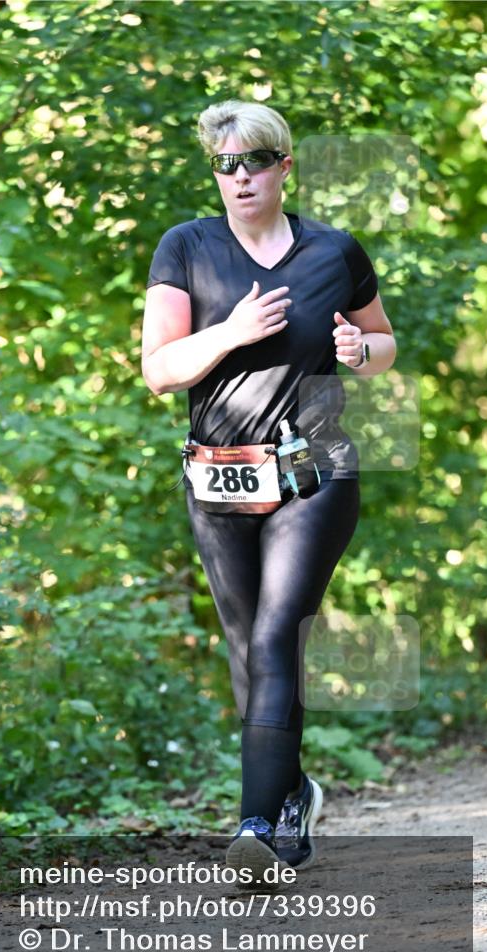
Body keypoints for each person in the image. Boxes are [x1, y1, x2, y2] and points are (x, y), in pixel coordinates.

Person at [141, 99, 396, 880]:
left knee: (278, 628)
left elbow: (382, 342)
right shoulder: (185, 248)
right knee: (246, 644)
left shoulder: (333, 251)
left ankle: (253, 823)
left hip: (314, 470)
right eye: (224, 163)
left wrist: (360, 350)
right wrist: (230, 333)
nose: (239, 177)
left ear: (284, 166)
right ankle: (292, 797)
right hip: (217, 476)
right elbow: (159, 370)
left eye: (254, 161)